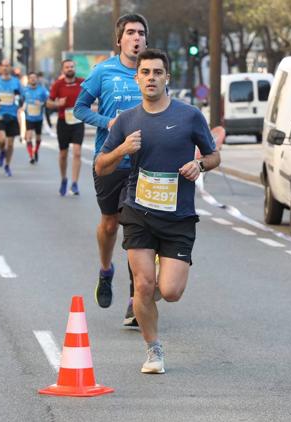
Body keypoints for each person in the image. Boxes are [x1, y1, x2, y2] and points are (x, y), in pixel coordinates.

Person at [95, 49, 220, 373]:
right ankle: (154, 351)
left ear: (167, 78)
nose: (151, 78)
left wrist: (199, 164)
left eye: (157, 72)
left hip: (178, 216)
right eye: (145, 72)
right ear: (137, 78)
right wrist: (122, 149)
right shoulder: (126, 120)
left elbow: (213, 156)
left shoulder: (189, 115)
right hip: (138, 211)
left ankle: (156, 288)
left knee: (170, 291)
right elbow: (101, 166)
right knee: (144, 285)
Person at [75, 13, 148, 326]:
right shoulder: (103, 71)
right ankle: (106, 271)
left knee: (136, 228)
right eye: (130, 33)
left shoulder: (151, 72)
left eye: (141, 33)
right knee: (110, 224)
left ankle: (136, 299)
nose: (136, 38)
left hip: (145, 165)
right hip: (110, 160)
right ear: (120, 40)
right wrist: (109, 123)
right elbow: (79, 108)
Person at [47, 59, 85, 195]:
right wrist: (57, 104)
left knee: (77, 152)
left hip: (78, 121)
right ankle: (64, 179)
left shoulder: (82, 82)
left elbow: (91, 95)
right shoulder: (58, 84)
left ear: (75, 68)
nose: (70, 69)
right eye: (67, 67)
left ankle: (74, 183)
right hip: (63, 122)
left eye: (72, 66)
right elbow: (48, 103)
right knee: (63, 154)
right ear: (63, 70)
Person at [0, 59, 22, 177]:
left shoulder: (16, 82)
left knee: (10, 144)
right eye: (3, 66)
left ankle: (7, 165)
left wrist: (19, 101)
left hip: (13, 115)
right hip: (0, 115)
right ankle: (1, 151)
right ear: (0, 68)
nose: (5, 68)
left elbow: (22, 95)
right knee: (2, 140)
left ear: (10, 68)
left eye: (7, 66)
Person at [21, 71, 49, 164]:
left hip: (39, 118)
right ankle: (31, 156)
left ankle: (36, 151)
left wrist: (41, 103)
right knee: (28, 136)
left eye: (34, 77)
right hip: (29, 117)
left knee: (38, 138)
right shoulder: (25, 90)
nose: (33, 79)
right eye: (31, 77)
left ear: (37, 79)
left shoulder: (42, 90)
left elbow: (49, 101)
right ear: (28, 80)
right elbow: (21, 101)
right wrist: (22, 107)